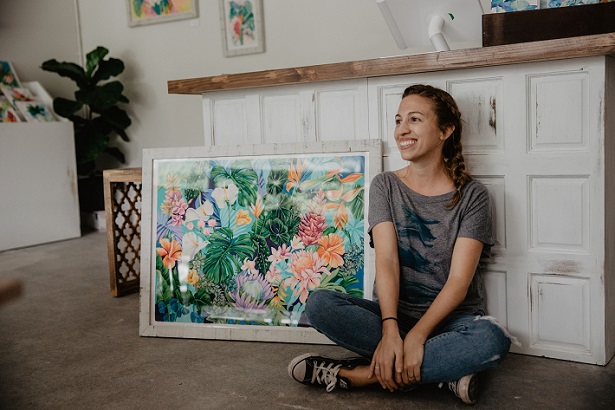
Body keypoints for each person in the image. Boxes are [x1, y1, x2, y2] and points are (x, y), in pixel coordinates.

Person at [287, 84, 515, 405]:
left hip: (451, 321)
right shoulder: (385, 185)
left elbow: (458, 282)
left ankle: (362, 374)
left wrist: (418, 336)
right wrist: (391, 330)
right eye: (398, 120)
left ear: (445, 131)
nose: (402, 130)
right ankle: (440, 373)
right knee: (319, 305)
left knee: (491, 339)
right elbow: (387, 262)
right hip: (392, 315)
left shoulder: (472, 196)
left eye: (415, 119)